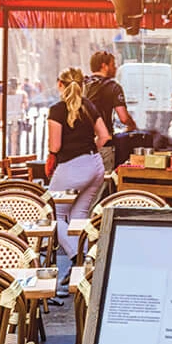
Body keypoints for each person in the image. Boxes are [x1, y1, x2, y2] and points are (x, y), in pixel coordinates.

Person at [46, 66, 111, 288]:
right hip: (95, 164)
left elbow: (55, 146)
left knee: (53, 215)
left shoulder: (56, 110)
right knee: (79, 214)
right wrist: (89, 149)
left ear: (60, 84)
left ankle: (78, 258)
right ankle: (86, 265)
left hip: (71, 167)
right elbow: (105, 136)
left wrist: (54, 157)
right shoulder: (89, 106)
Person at [84, 51, 133, 172]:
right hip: (103, 144)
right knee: (103, 185)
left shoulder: (83, 85)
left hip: (82, 144)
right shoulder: (113, 87)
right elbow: (123, 117)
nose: (115, 68)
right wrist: (132, 126)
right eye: (113, 64)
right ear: (104, 66)